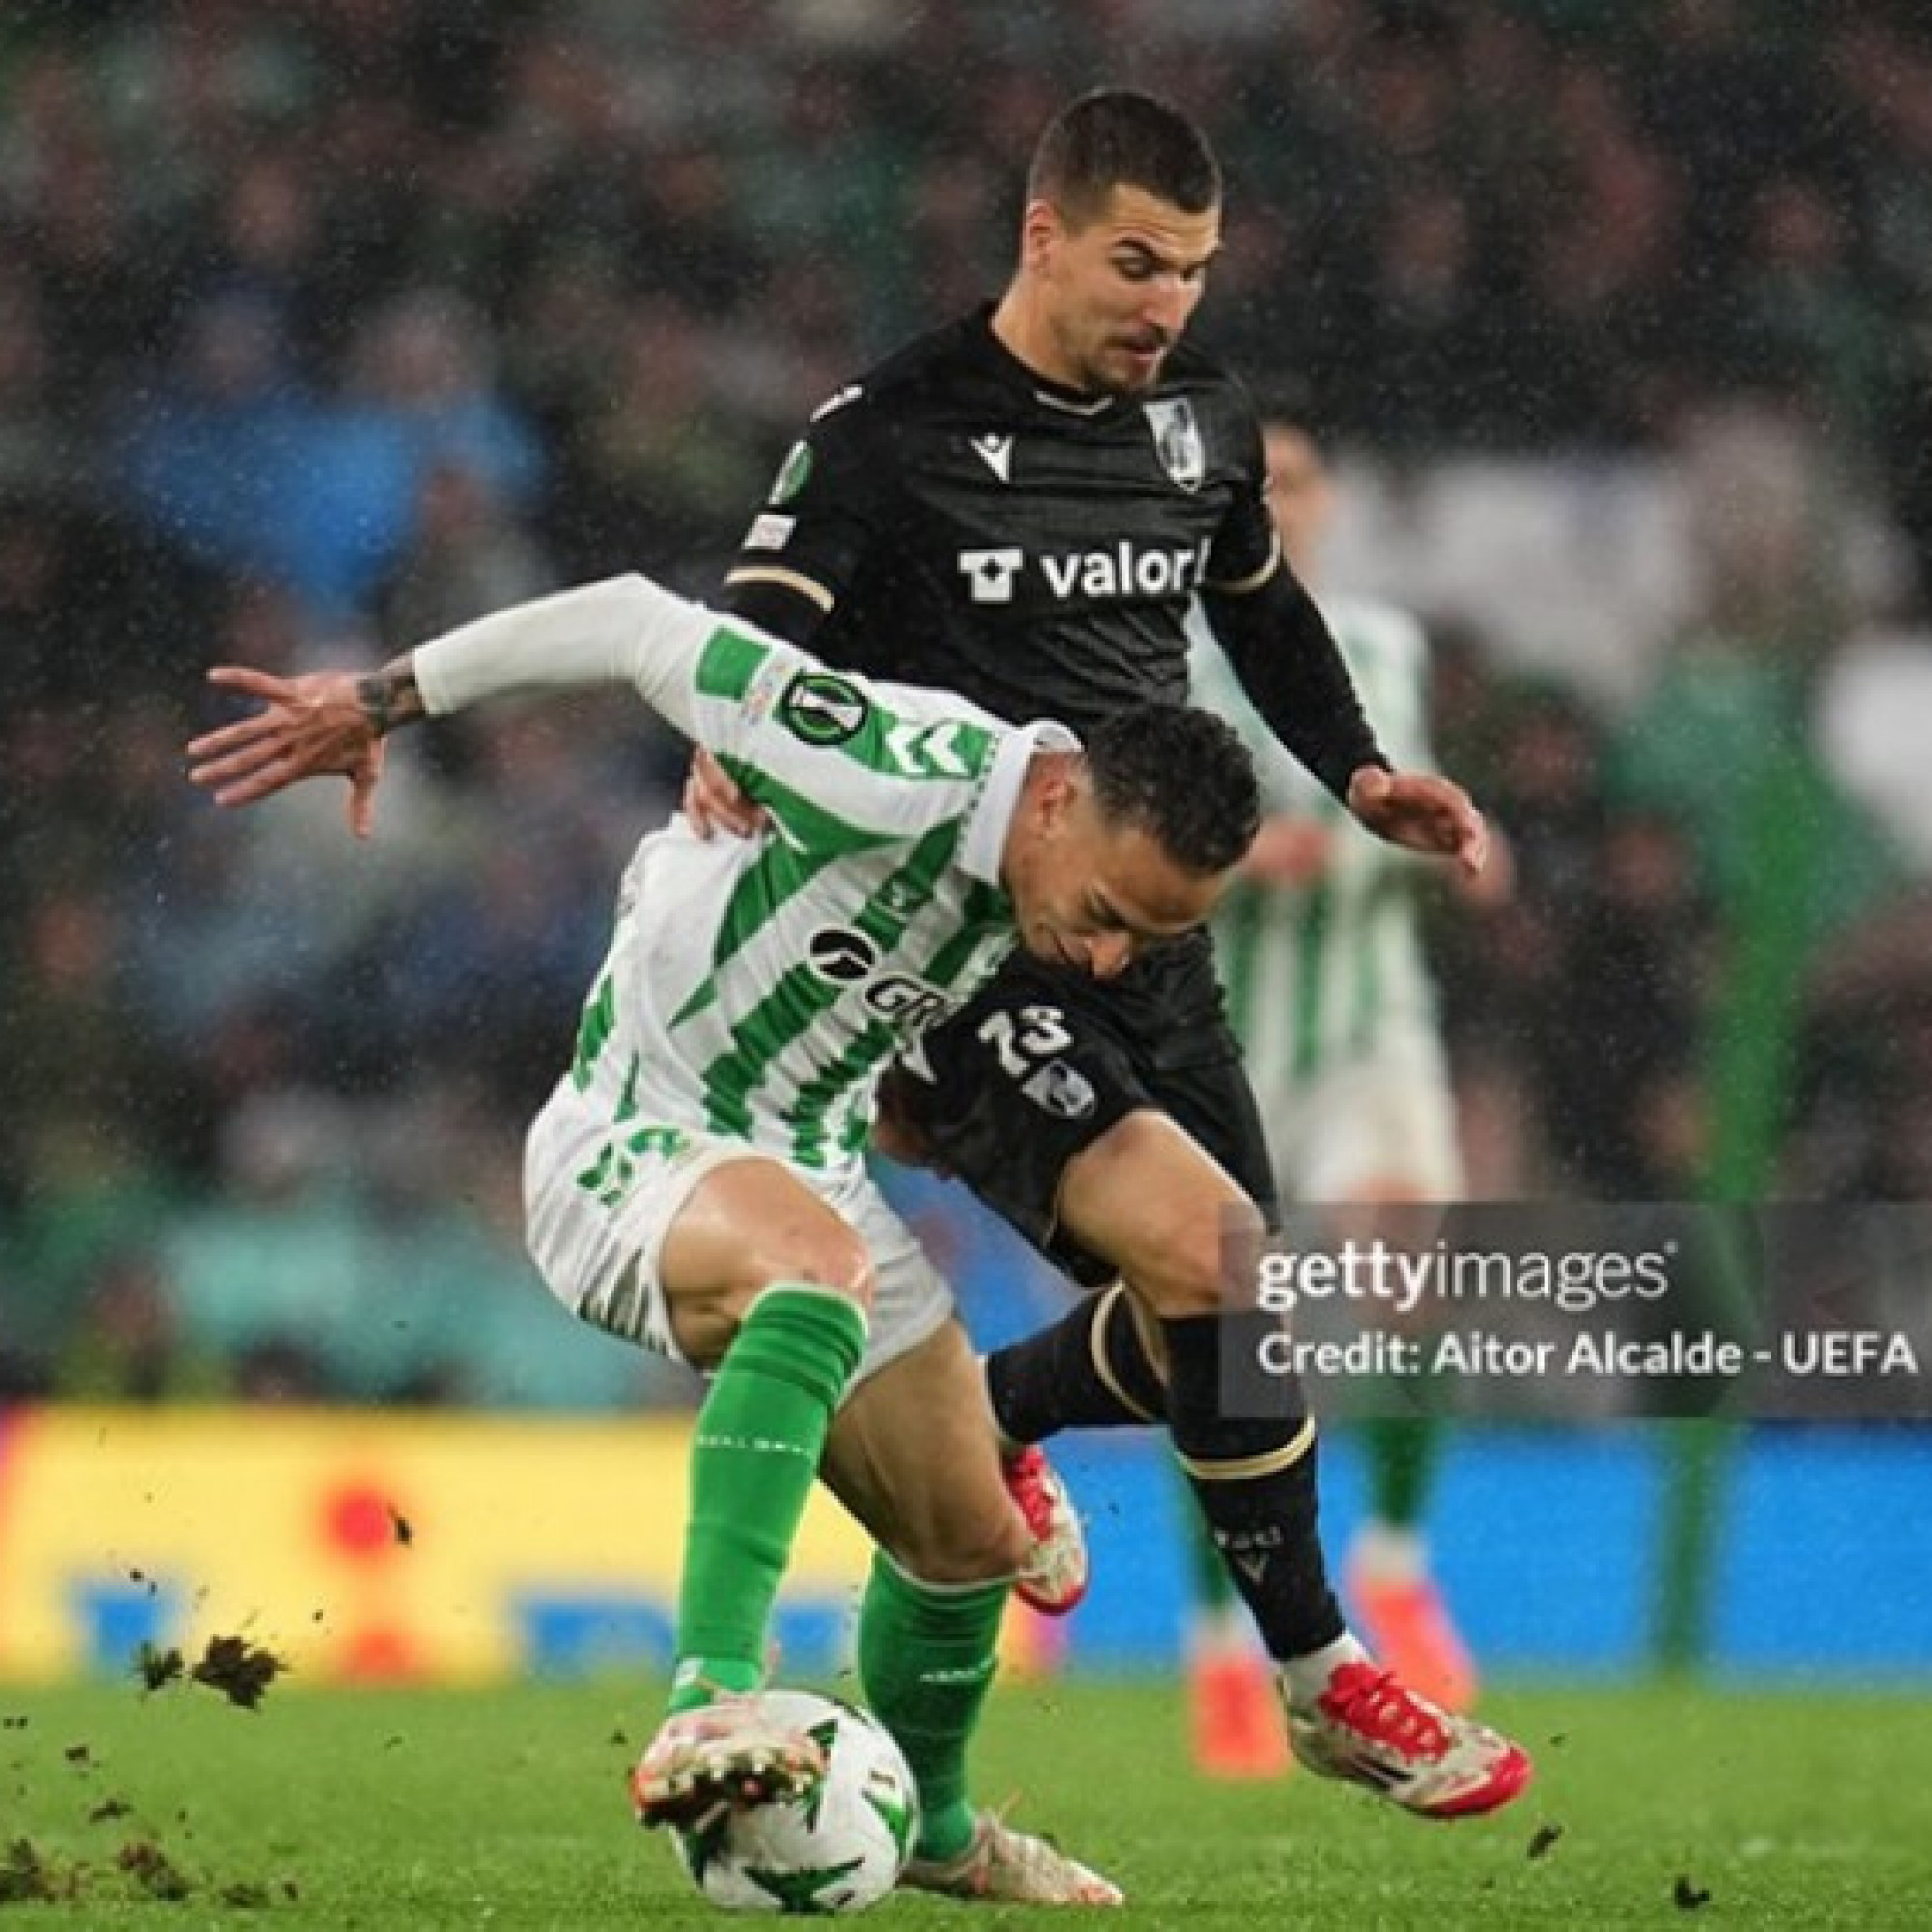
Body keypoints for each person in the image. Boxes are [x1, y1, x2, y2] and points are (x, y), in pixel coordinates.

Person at [694, 87, 1530, 1816]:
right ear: (1044, 236)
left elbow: (1261, 609)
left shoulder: (1202, 432)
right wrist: (732, 728)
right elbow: (763, 616)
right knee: (1213, 1261)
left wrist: (1361, 769)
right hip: (972, 934)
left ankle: (991, 1418)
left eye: (1196, 274)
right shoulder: (890, 429)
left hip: (1155, 941)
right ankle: (1319, 1673)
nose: (1166, 304)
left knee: (1231, 1319)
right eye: (1136, 262)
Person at [187, 569, 1264, 1907]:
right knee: (817, 1275)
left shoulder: (1054, 871)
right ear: (1053, 804)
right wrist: (377, 700)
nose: (1107, 959)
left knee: (966, 1543)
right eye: (1108, 917)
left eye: (1146, 940)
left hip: (808, 1167)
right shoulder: (889, 765)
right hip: (633, 1147)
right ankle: (711, 1692)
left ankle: (934, 1831)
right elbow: (638, 619)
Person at [1182, 412, 1498, 1775]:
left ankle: (1395, 1554)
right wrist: (1247, 869)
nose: (1286, 505)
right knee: (1216, 1337)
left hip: (1369, 1022)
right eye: (1263, 487)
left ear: (1329, 500)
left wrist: (1450, 844)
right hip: (1224, 1035)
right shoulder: (1164, 656)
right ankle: (1223, 1656)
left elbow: (1408, 805)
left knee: (1411, 1266)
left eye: (1302, 482)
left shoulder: (1379, 646)